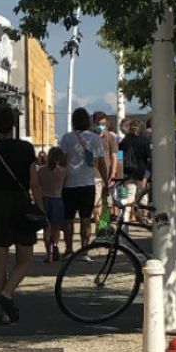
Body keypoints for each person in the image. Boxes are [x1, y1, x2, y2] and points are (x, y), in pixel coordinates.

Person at [0, 106, 43, 325]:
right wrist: (40, 208)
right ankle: (8, 292)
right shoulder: (26, 149)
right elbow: (34, 182)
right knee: (25, 258)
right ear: (13, 125)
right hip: (21, 205)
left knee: (0, 260)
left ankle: (4, 312)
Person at [59, 108, 109, 254]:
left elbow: (62, 161)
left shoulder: (67, 138)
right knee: (86, 219)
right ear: (88, 121)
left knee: (68, 219)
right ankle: (84, 249)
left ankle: (69, 249)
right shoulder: (95, 138)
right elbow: (101, 163)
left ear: (73, 121)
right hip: (88, 183)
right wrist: (106, 181)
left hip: (69, 184)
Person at [119, 118, 153, 223]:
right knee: (143, 196)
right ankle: (142, 217)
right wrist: (146, 175)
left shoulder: (124, 141)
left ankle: (125, 218)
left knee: (129, 196)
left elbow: (119, 158)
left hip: (127, 173)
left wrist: (120, 172)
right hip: (141, 173)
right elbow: (149, 157)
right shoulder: (144, 141)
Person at [38, 147, 68, 263]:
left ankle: (48, 255)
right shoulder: (63, 171)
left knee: (46, 228)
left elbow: (38, 185)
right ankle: (55, 245)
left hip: (45, 199)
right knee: (56, 228)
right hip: (58, 200)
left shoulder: (41, 171)